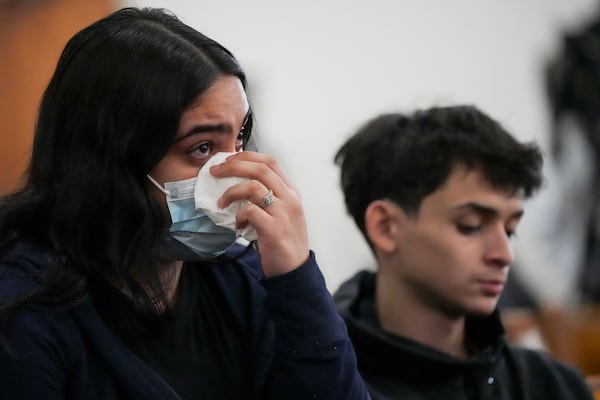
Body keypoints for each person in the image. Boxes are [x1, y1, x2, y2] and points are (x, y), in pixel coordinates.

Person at [0, 7, 370, 400]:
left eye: (239, 140)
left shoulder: (243, 280)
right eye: (202, 148)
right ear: (110, 160)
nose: (235, 172)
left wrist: (296, 276)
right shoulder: (22, 313)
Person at [332, 105, 595, 399]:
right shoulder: (324, 382)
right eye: (471, 226)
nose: (504, 255)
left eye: (509, 230)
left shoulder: (547, 385)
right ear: (386, 227)